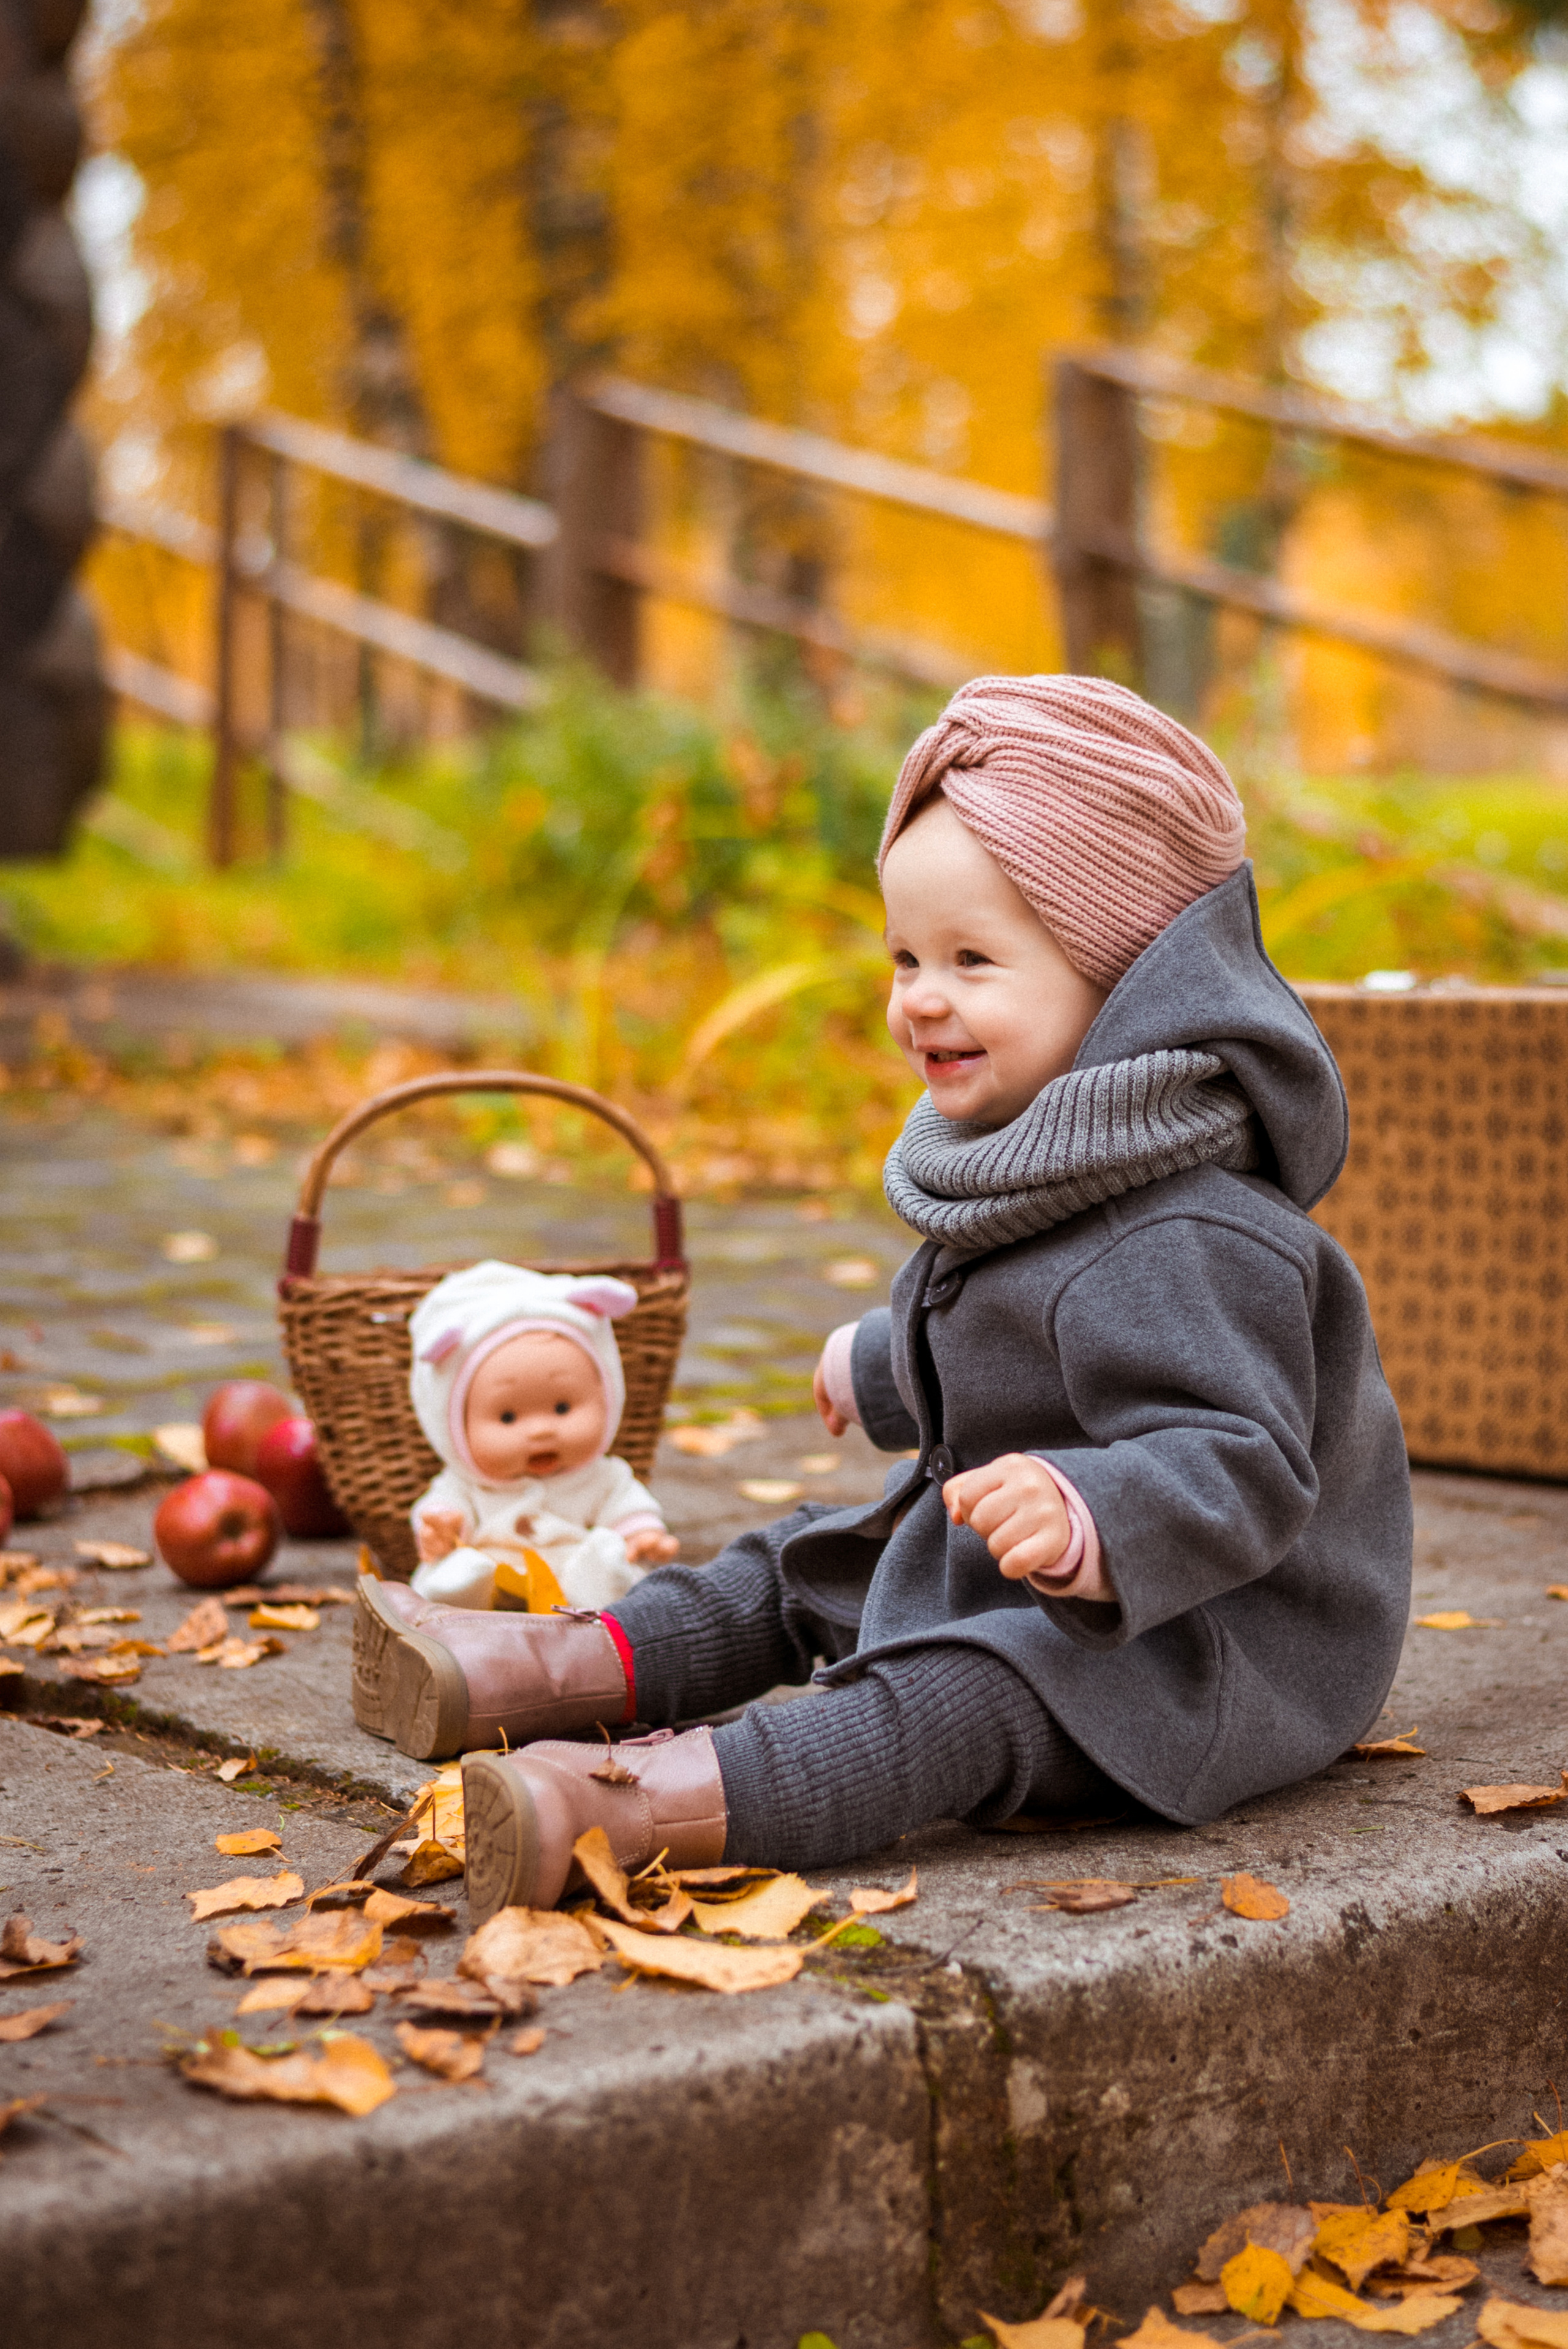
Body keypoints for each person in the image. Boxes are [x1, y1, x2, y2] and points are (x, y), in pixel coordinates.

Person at [353, 675, 1413, 1927]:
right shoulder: (1050, 1146)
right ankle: (541, 1664)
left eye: (971, 960)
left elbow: (1242, 1461)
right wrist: (878, 1362)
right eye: (906, 956)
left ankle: (630, 1806)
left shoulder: (1195, 1229)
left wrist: (1090, 1510)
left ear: (1131, 979)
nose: (919, 996)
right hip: (1047, 1571)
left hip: (1203, 1643)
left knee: (954, 1698)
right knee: (804, 1562)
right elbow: (1012, 1324)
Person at [353, 1263, 677, 1747]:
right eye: (507, 1416)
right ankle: (454, 1605)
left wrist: (643, 1536)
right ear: (453, 1425)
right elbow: (440, 1508)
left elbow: (626, 1506)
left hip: (569, 1603)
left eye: (563, 1408)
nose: (541, 1430)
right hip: (491, 1590)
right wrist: (439, 1529)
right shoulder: (466, 1484)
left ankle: (600, 1606)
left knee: (609, 1557)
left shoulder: (602, 1475)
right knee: (459, 1567)